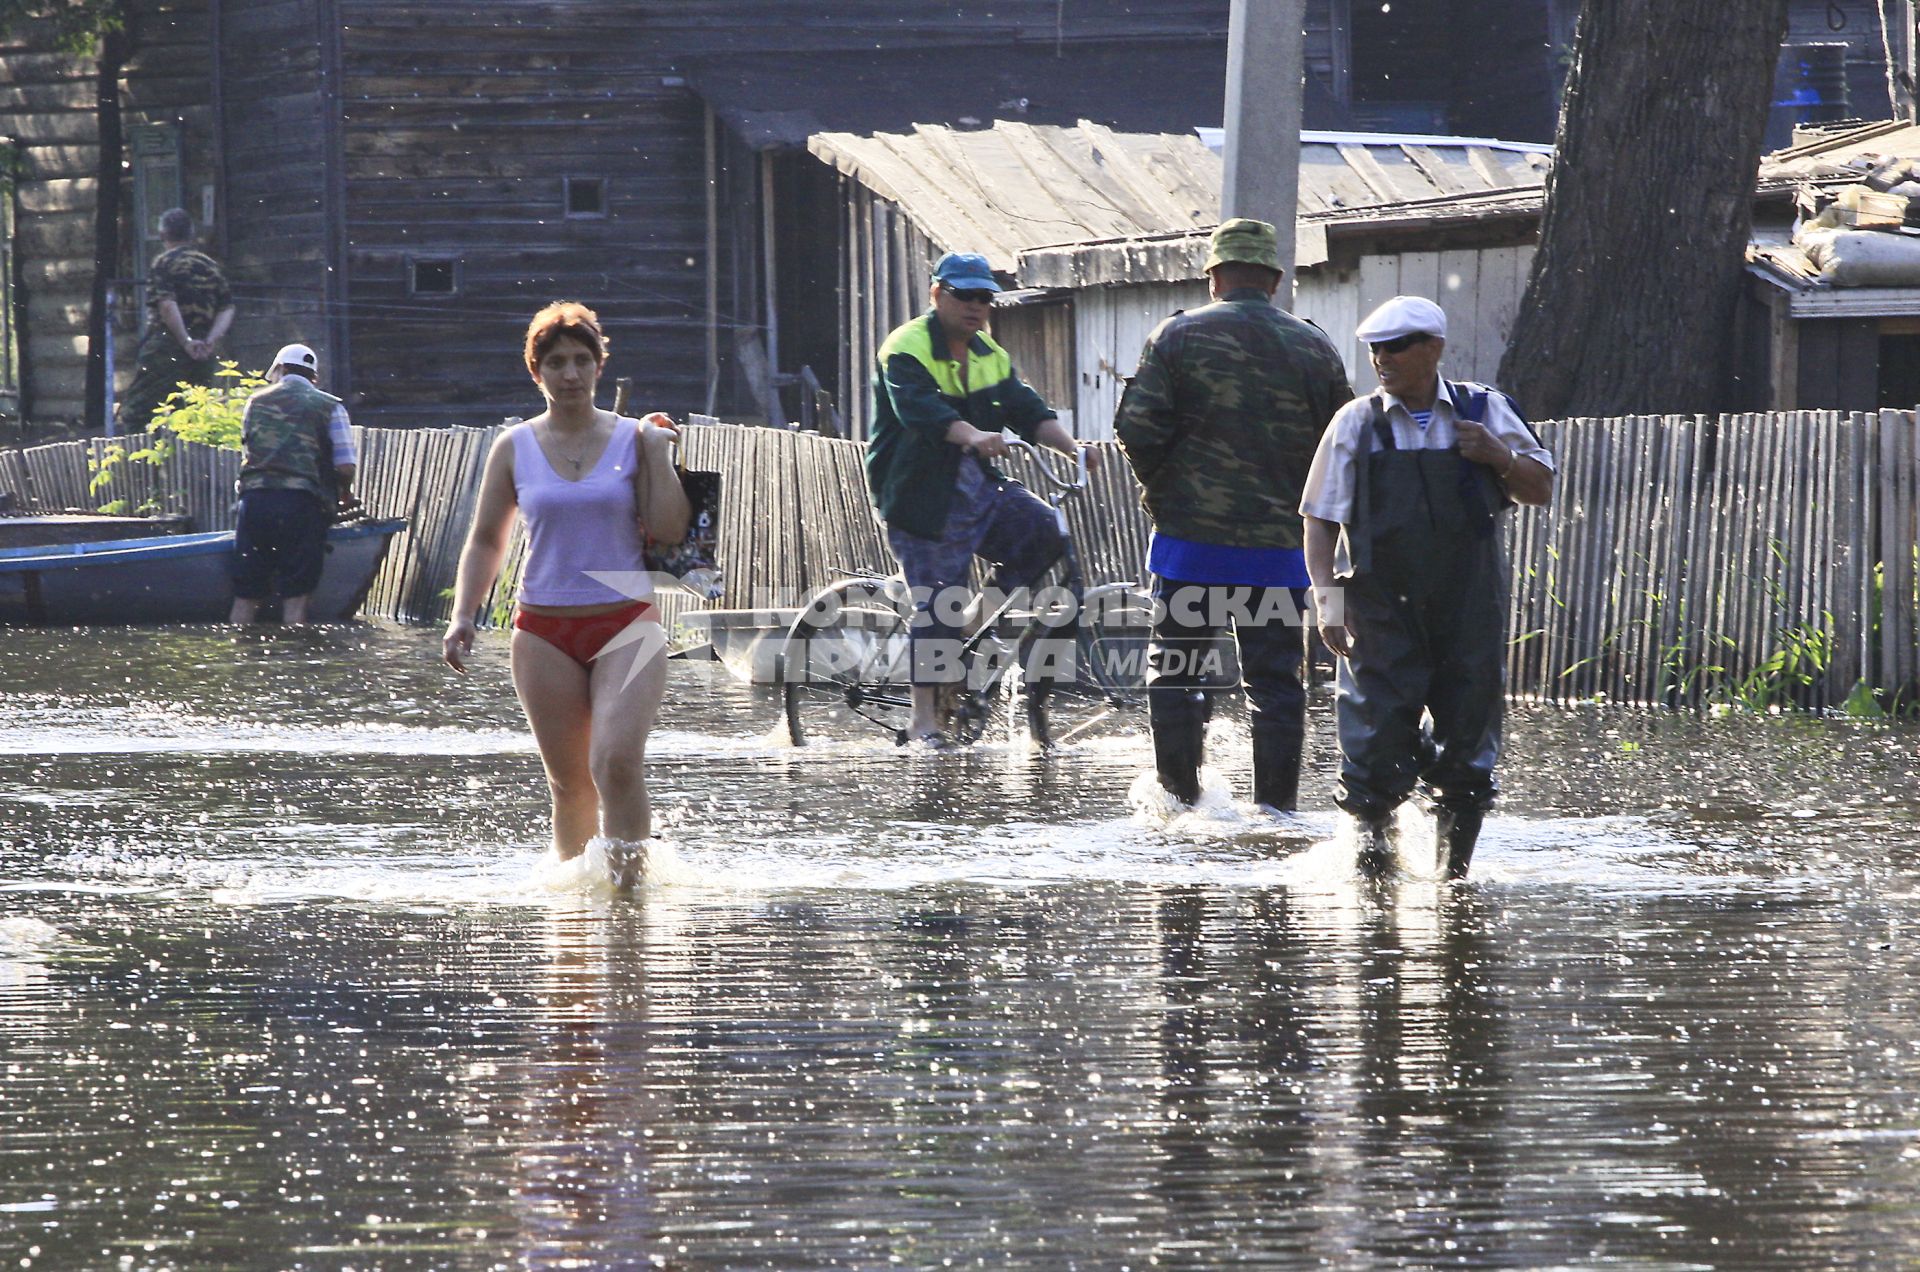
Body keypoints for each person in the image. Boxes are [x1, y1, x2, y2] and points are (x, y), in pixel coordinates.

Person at [1300, 295, 1555, 877]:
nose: (1382, 359)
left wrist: (1499, 457)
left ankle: (1452, 883)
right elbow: (1318, 518)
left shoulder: (1485, 410)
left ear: (1433, 349)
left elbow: (1540, 487)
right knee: (1371, 747)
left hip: (1468, 607)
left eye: (1396, 347)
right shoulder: (1356, 422)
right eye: (1375, 349)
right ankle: (1373, 894)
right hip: (1378, 610)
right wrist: (1327, 601)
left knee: (1469, 742)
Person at [442, 302, 690, 887]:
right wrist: (463, 616)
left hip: (627, 625)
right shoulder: (514, 447)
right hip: (544, 632)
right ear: (537, 372)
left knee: (617, 763)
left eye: (583, 360)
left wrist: (660, 456)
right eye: (557, 363)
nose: (571, 374)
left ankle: (629, 903)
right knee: (569, 781)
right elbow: (484, 540)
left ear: (600, 367)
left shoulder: (636, 439)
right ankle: (579, 913)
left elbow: (672, 530)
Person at [1114, 218, 1354, 813]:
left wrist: (1164, 495)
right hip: (1279, 556)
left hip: (1191, 548)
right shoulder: (1313, 345)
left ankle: (1179, 804)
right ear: (1274, 279)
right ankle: (1275, 813)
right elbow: (1342, 442)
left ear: (1214, 275)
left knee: (1177, 675)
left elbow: (1136, 429)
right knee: (1275, 687)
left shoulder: (1176, 337)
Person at [865, 251, 1097, 748]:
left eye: (984, 298)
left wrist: (1074, 449)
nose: (975, 306)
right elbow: (919, 410)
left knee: (1041, 533)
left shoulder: (990, 353)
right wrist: (970, 434)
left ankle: (971, 623)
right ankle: (923, 719)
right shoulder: (905, 347)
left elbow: (1027, 409)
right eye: (964, 295)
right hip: (919, 493)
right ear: (937, 295)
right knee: (935, 603)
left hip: (978, 485)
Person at [228, 343, 358, 626]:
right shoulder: (330, 406)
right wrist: (344, 492)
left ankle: (238, 659)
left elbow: (248, 452)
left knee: (246, 593)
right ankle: (296, 661)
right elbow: (345, 465)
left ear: (280, 369)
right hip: (301, 503)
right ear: (314, 376)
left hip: (254, 503)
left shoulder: (255, 403)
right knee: (297, 593)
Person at [118, 208, 235, 432]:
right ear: (191, 235)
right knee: (196, 412)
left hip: (169, 344)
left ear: (163, 235)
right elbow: (227, 308)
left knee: (139, 411)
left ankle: (139, 463)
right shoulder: (210, 266)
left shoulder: (164, 262)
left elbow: (167, 305)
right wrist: (209, 340)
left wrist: (185, 341)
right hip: (204, 350)